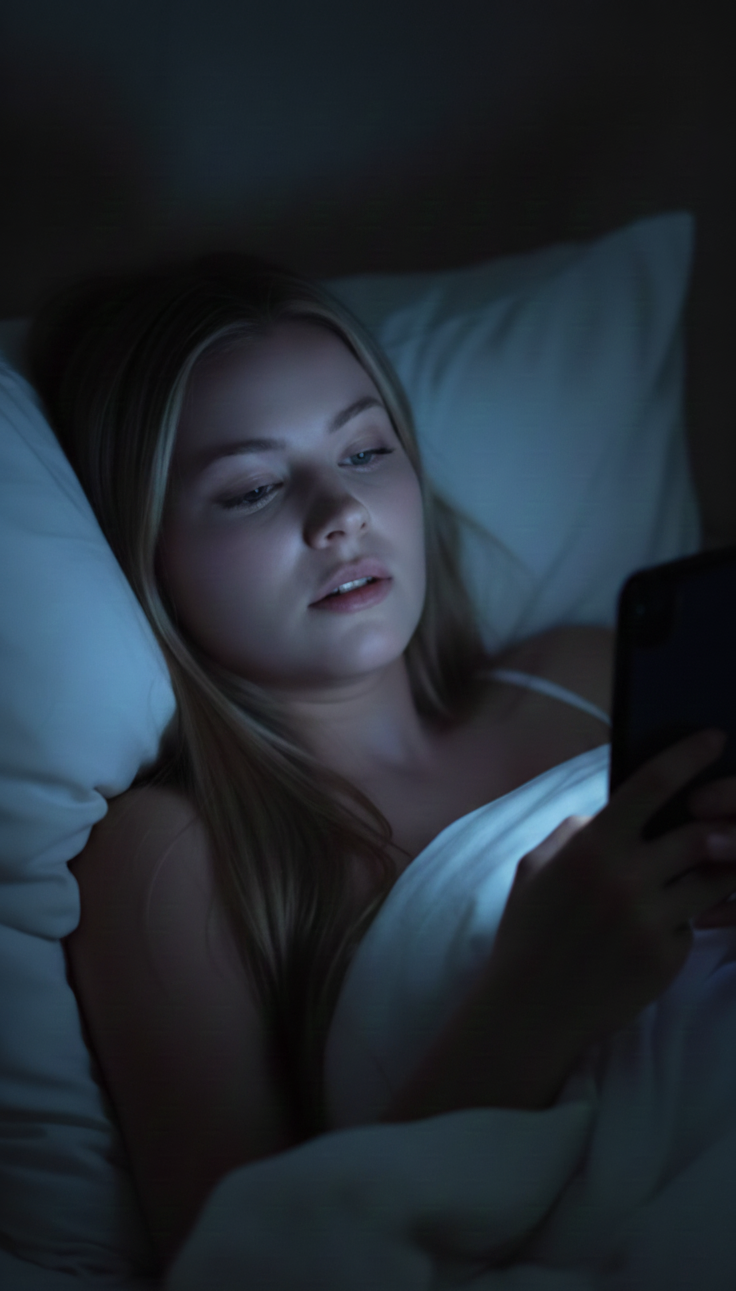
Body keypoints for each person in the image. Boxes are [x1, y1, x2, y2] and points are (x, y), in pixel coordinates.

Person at [27, 253, 736, 1277]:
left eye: (363, 451)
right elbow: (250, 1265)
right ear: (144, 550)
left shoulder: (588, 671)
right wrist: (531, 1006)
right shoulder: (177, 858)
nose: (337, 514)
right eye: (255, 487)